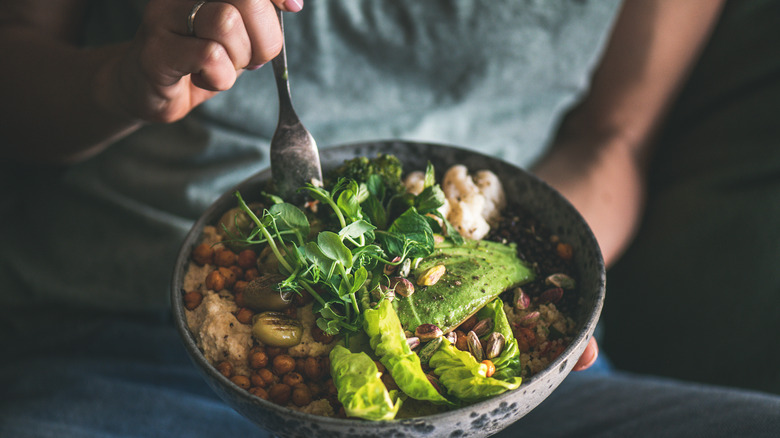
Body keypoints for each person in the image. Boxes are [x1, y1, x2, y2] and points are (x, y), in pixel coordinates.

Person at [0, 1, 778, 437]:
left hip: (492, 396)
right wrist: (123, 80)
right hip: (126, 344)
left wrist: (534, 300)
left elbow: (615, 138)